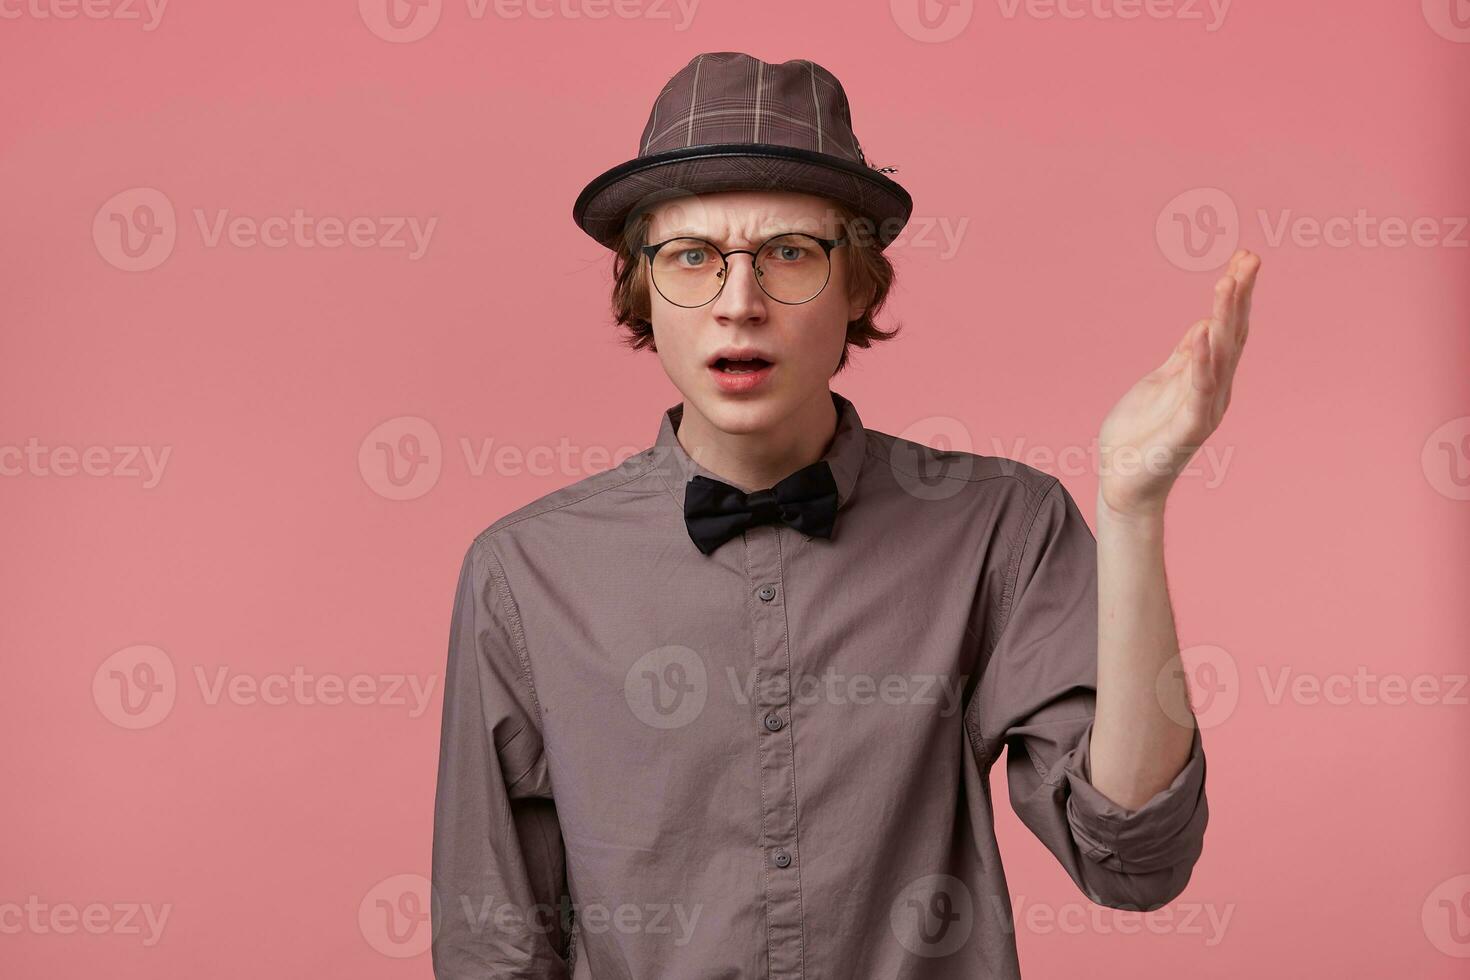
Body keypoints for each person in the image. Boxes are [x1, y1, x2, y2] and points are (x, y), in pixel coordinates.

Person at [430, 51, 1258, 979]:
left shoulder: (999, 529)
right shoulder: (523, 575)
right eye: (692, 258)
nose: (738, 305)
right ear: (641, 290)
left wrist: (1134, 509)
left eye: (791, 253)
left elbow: (1136, 861)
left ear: (861, 284)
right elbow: (492, 944)